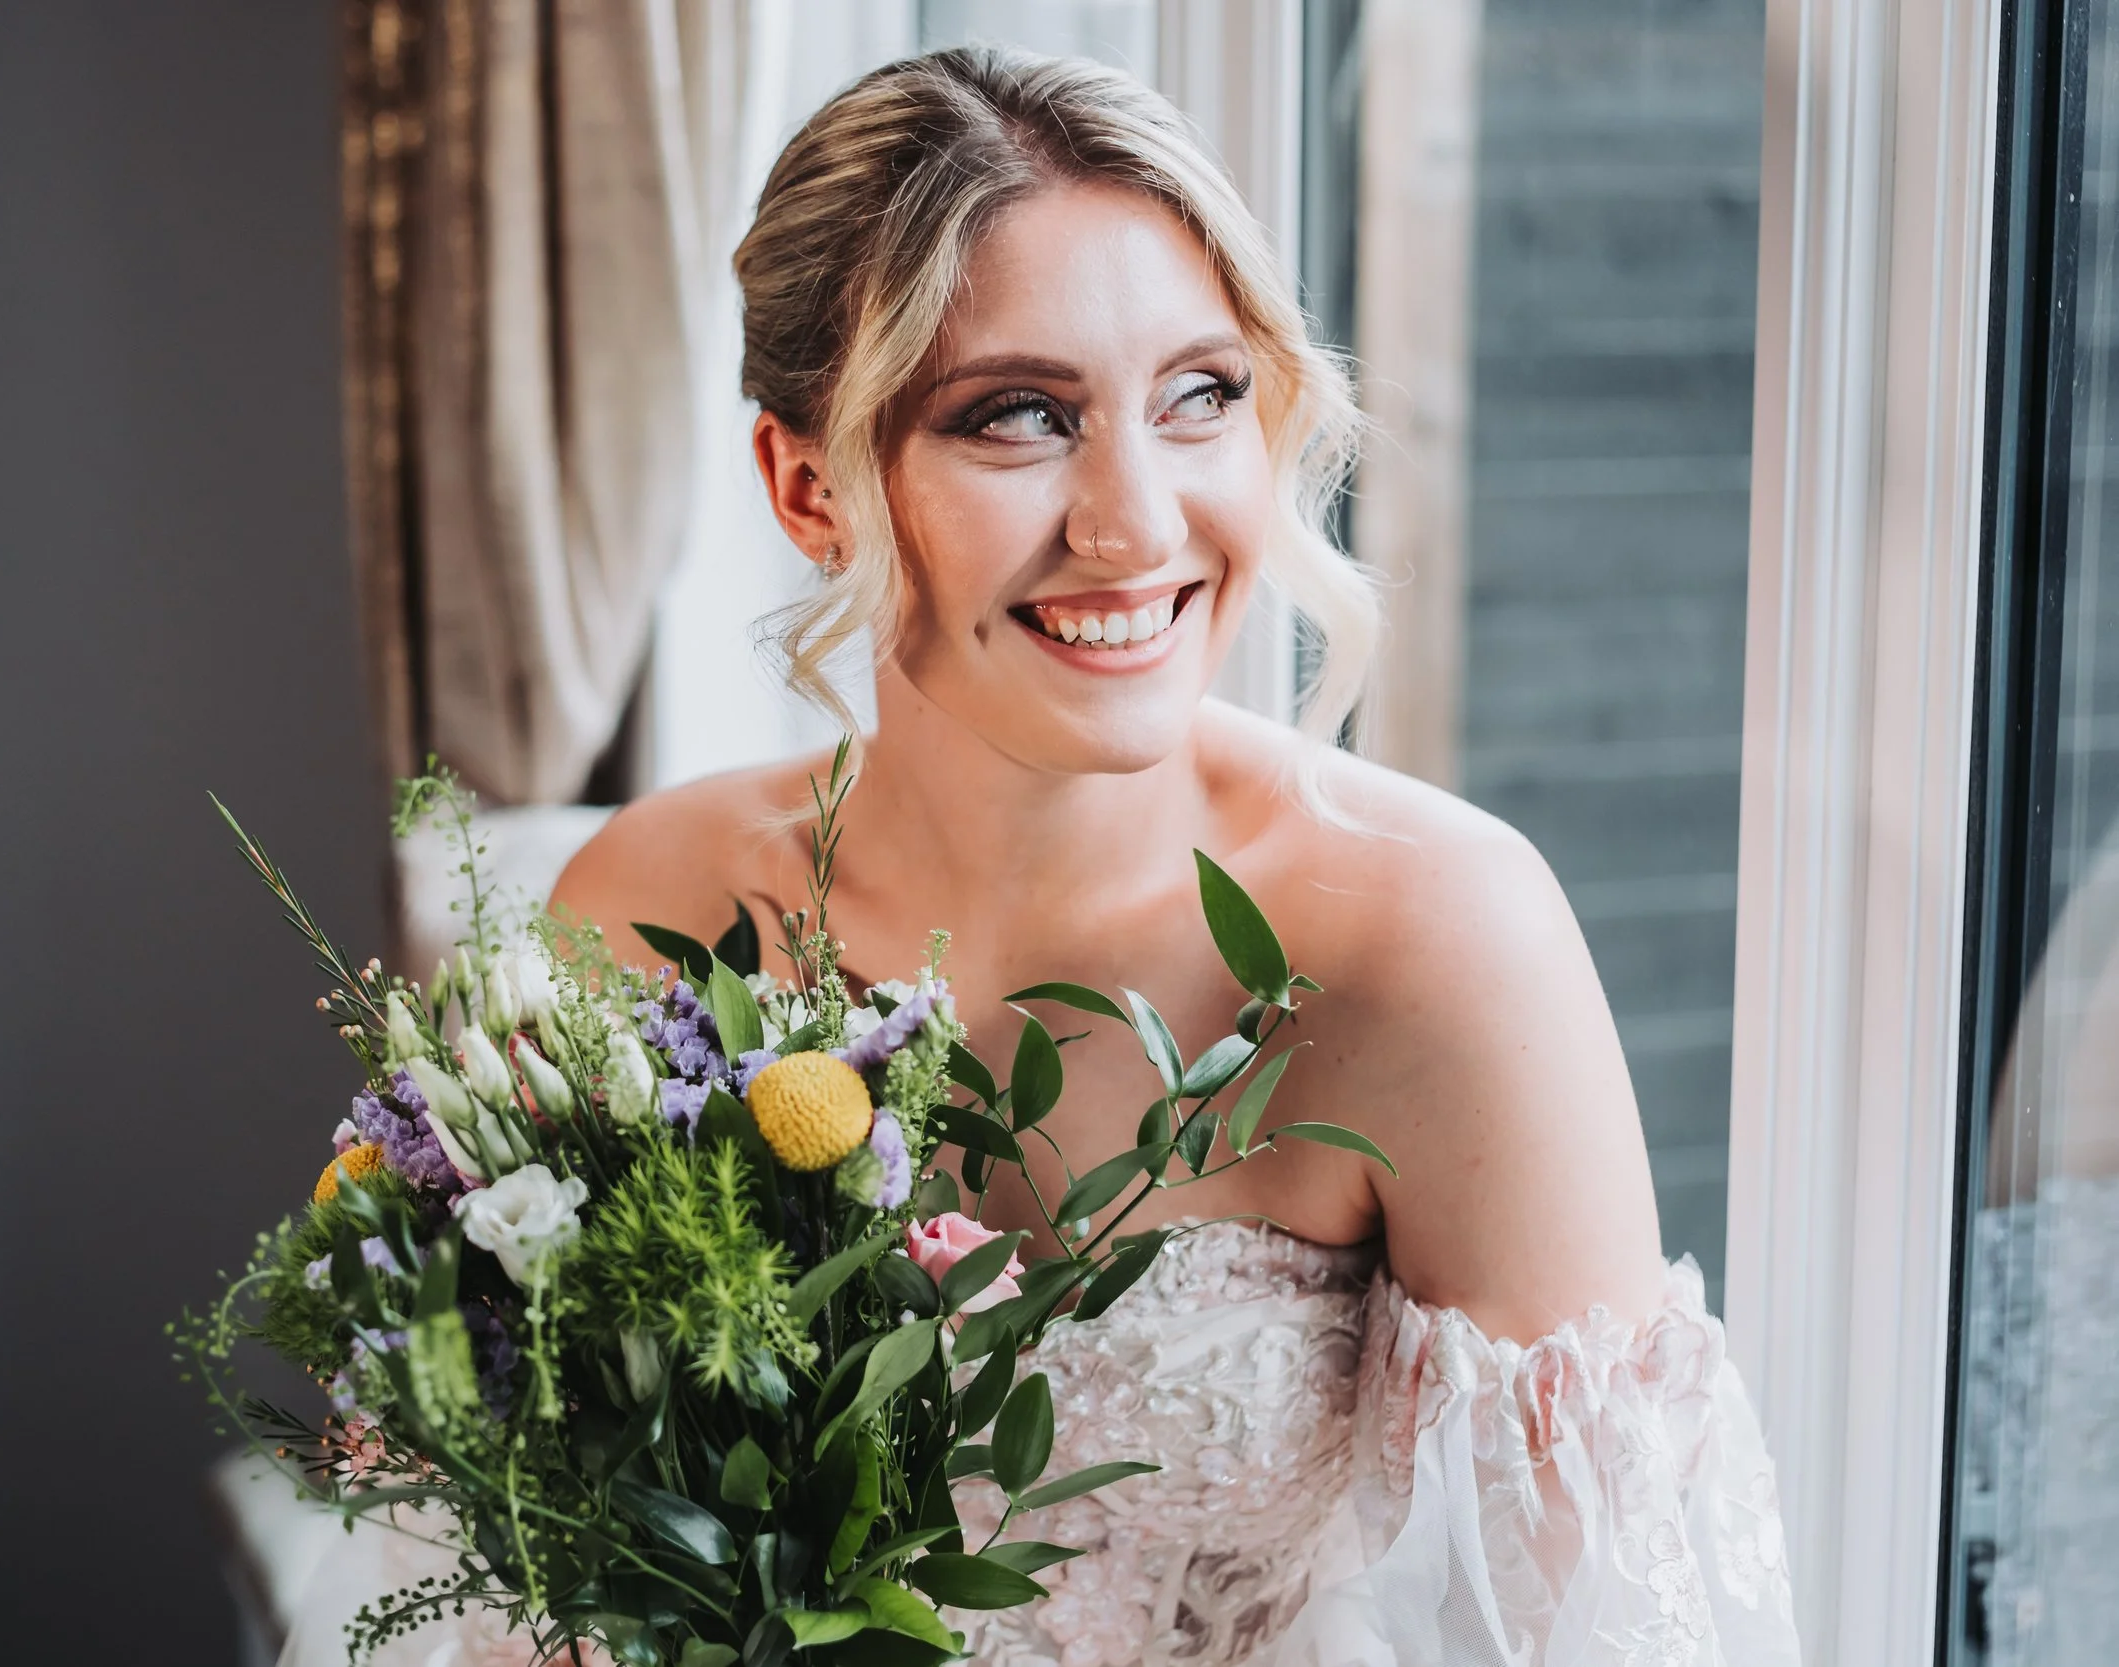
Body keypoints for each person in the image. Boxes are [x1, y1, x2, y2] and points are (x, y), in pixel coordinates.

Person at [549, 47, 1799, 1667]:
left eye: (1201, 394)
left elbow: (1611, 1637)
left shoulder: (1435, 940)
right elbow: (552, 1572)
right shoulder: (646, 911)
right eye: (1021, 415)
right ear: (809, 486)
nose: (1137, 522)